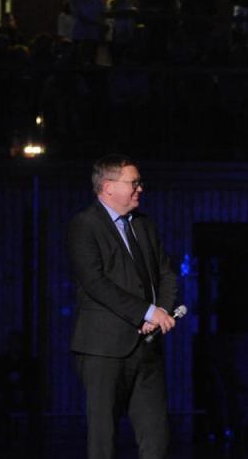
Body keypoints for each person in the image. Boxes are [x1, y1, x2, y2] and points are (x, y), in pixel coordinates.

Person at [67, 154, 179, 459]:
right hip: (103, 349)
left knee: (157, 437)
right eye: (134, 182)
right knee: (104, 438)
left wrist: (160, 313)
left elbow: (167, 272)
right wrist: (145, 311)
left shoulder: (144, 225)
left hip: (147, 344)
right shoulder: (84, 225)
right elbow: (96, 283)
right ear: (108, 187)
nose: (140, 188)